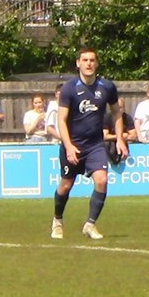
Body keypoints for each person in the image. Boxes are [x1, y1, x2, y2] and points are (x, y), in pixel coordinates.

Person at [53, 48, 127, 240]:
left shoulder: (107, 87)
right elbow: (61, 120)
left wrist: (119, 138)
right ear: (78, 63)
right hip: (74, 144)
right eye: (84, 60)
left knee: (102, 180)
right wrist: (68, 146)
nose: (88, 63)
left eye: (92, 60)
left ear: (97, 63)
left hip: (95, 145)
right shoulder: (69, 88)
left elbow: (117, 113)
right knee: (66, 186)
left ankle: (90, 224)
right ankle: (57, 220)